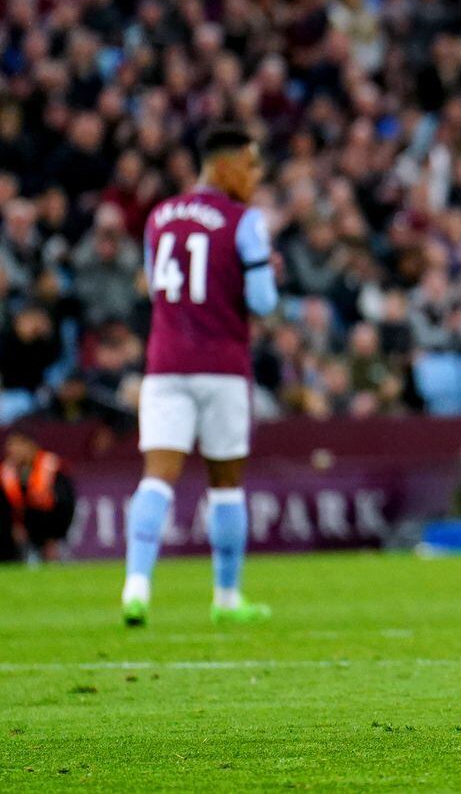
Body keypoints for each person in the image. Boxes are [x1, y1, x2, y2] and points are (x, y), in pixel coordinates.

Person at [120, 125, 278, 626]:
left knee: (156, 477)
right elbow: (262, 303)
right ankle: (227, 599)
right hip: (223, 366)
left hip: (165, 363)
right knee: (226, 485)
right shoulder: (244, 221)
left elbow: (151, 284)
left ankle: (135, 586)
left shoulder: (159, 216)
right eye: (251, 165)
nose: (256, 176)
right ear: (224, 165)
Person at [0, 426, 76, 562]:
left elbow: (66, 505)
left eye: (17, 444)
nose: (11, 450)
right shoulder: (6, 473)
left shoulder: (52, 469)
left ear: (31, 446)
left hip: (49, 531)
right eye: (10, 445)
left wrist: (55, 536)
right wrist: (13, 528)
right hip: (15, 535)